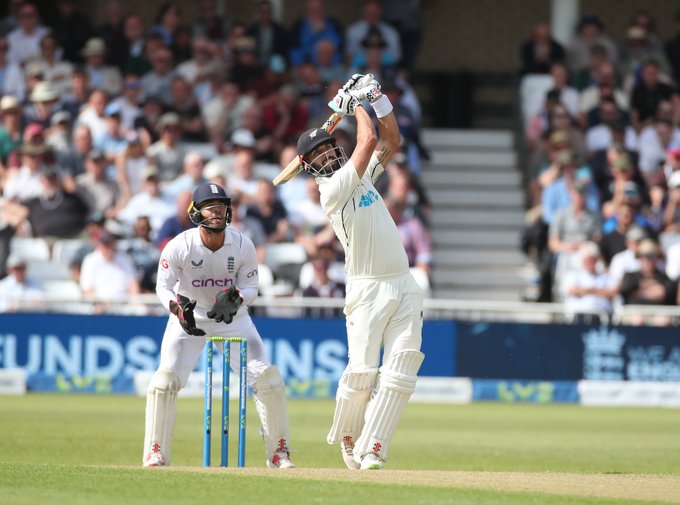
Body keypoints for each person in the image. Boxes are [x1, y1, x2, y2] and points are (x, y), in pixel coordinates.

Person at [296, 74, 424, 470]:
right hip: (366, 290)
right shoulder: (332, 189)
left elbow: (390, 141)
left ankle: (375, 448)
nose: (328, 154)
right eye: (318, 154)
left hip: (403, 283)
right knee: (363, 373)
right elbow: (367, 141)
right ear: (309, 166)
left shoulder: (363, 176)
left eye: (329, 146)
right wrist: (355, 104)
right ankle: (350, 436)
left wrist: (377, 99)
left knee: (402, 368)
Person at [142, 181, 295, 469]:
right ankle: (155, 451)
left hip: (232, 318)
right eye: (210, 208)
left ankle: (279, 453)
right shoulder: (180, 246)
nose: (217, 213)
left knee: (268, 380)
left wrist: (236, 298)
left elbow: (251, 286)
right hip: (190, 317)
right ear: (195, 212)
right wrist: (177, 308)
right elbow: (162, 287)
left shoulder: (242, 244)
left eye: (222, 207)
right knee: (164, 381)